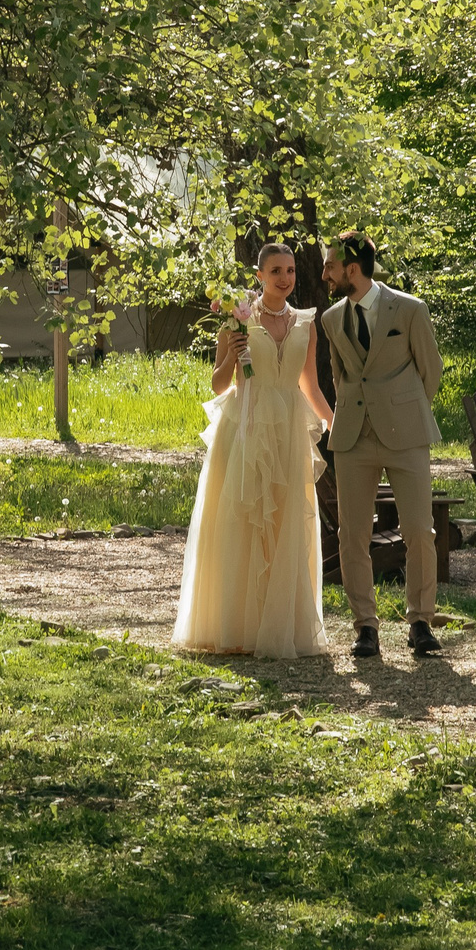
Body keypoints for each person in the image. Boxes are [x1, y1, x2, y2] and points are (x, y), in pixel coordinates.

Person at [170, 244, 333, 657]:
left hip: (289, 435)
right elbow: (218, 384)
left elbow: (309, 385)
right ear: (259, 275)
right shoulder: (237, 316)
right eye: (276, 270)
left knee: (285, 523)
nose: (285, 278)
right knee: (242, 523)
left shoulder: (306, 322)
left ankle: (281, 625)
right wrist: (236, 354)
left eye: (291, 270)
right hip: (245, 428)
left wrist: (336, 423)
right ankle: (238, 625)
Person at [318, 231, 446, 658]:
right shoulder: (331, 318)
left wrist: (402, 411)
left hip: (406, 435)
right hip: (353, 437)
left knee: (418, 531)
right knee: (352, 536)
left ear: (351, 269)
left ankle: (421, 623)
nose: (325, 273)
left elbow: (431, 370)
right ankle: (365, 628)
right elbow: (339, 376)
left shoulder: (410, 309)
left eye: (330, 265)